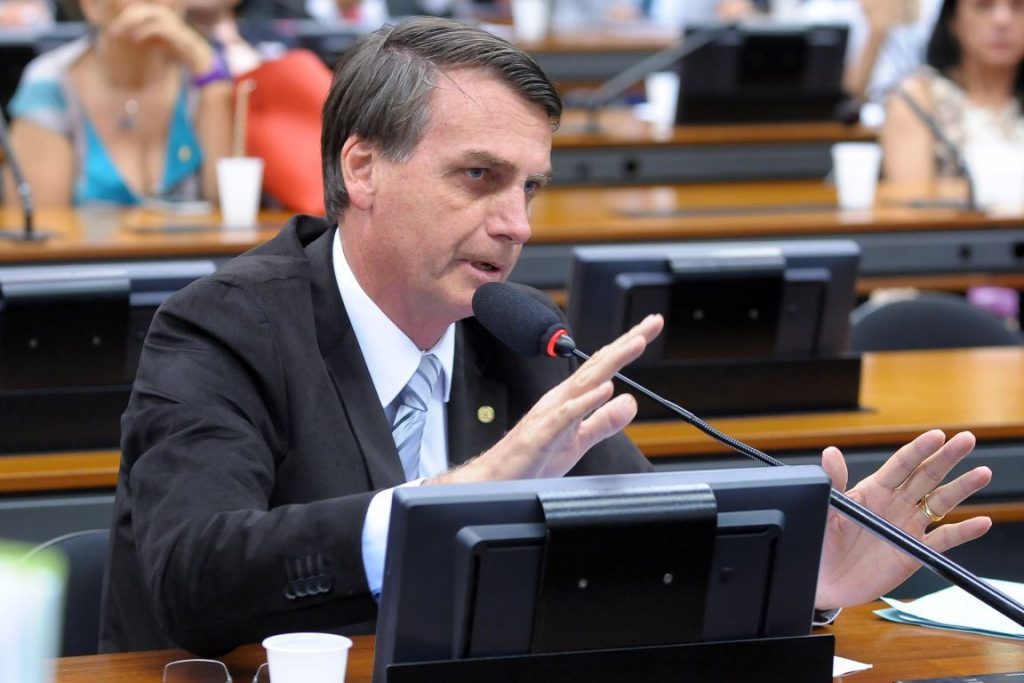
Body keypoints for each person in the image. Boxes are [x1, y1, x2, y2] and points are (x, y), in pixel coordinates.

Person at [100, 16, 993, 656]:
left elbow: (641, 559)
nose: (516, 224)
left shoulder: (520, 334)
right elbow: (191, 575)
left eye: (529, 187)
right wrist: (445, 503)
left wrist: (803, 581)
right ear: (362, 167)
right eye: (478, 177)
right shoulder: (223, 327)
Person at [2, 0, 233, 207]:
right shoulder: (51, 83)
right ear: (91, 6)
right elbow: (39, 222)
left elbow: (227, 202)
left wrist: (206, 69)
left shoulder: (202, 76)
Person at [881, 0, 1024, 182]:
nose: (1002, 20)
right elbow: (910, 196)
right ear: (953, 20)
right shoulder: (919, 99)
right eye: (983, 6)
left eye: (1019, 7)